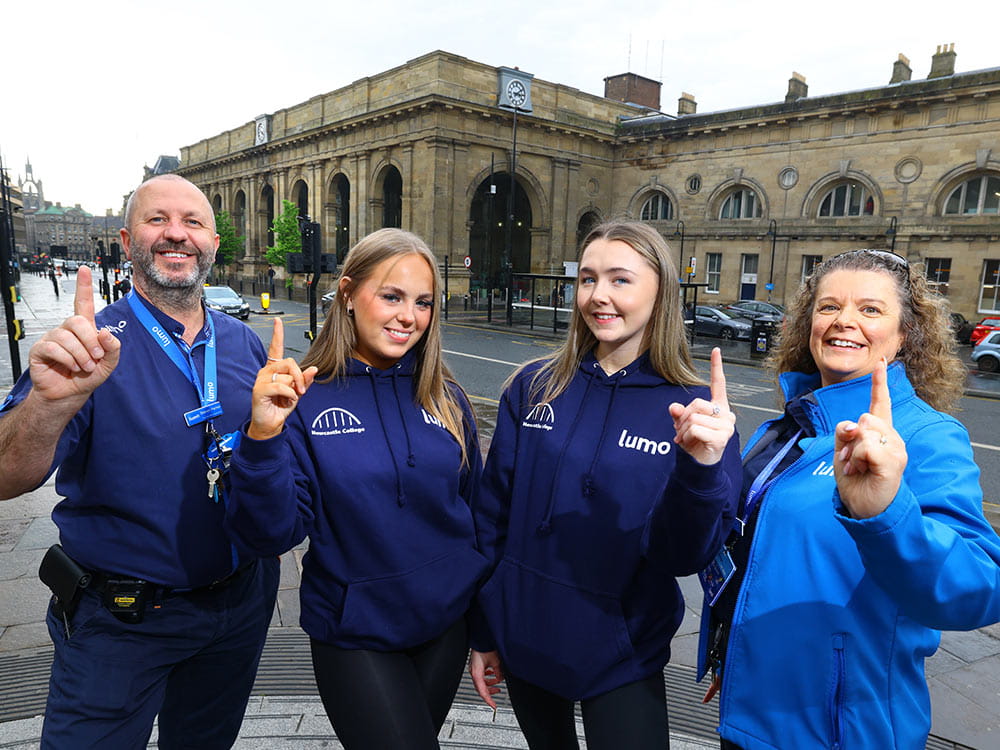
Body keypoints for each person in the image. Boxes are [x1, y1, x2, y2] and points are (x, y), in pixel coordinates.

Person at [0, 174, 279, 749]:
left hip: (239, 605)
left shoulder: (245, 343)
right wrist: (49, 405)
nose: (176, 234)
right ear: (127, 241)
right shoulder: (90, 345)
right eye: (158, 220)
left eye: (193, 222)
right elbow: (7, 475)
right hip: (120, 623)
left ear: (213, 244)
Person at [700, 248, 1000, 750]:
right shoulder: (786, 428)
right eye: (828, 306)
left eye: (871, 309)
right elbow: (755, 554)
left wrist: (885, 514)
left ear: (905, 335)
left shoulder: (926, 435)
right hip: (748, 713)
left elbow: (979, 586)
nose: (844, 321)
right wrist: (734, 652)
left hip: (838, 732)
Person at [469, 220, 742, 749]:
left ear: (659, 291)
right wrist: (484, 630)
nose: (599, 296)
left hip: (624, 654)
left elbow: (686, 554)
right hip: (526, 639)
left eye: (620, 280)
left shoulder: (697, 412)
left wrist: (700, 468)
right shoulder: (533, 386)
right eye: (588, 279)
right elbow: (492, 519)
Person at [225, 228, 486, 749]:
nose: (407, 316)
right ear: (347, 294)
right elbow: (268, 534)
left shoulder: (447, 395)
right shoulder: (303, 397)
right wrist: (262, 437)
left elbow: (476, 516)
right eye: (391, 296)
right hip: (356, 632)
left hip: (445, 627)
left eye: (423, 302)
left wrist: (485, 632)